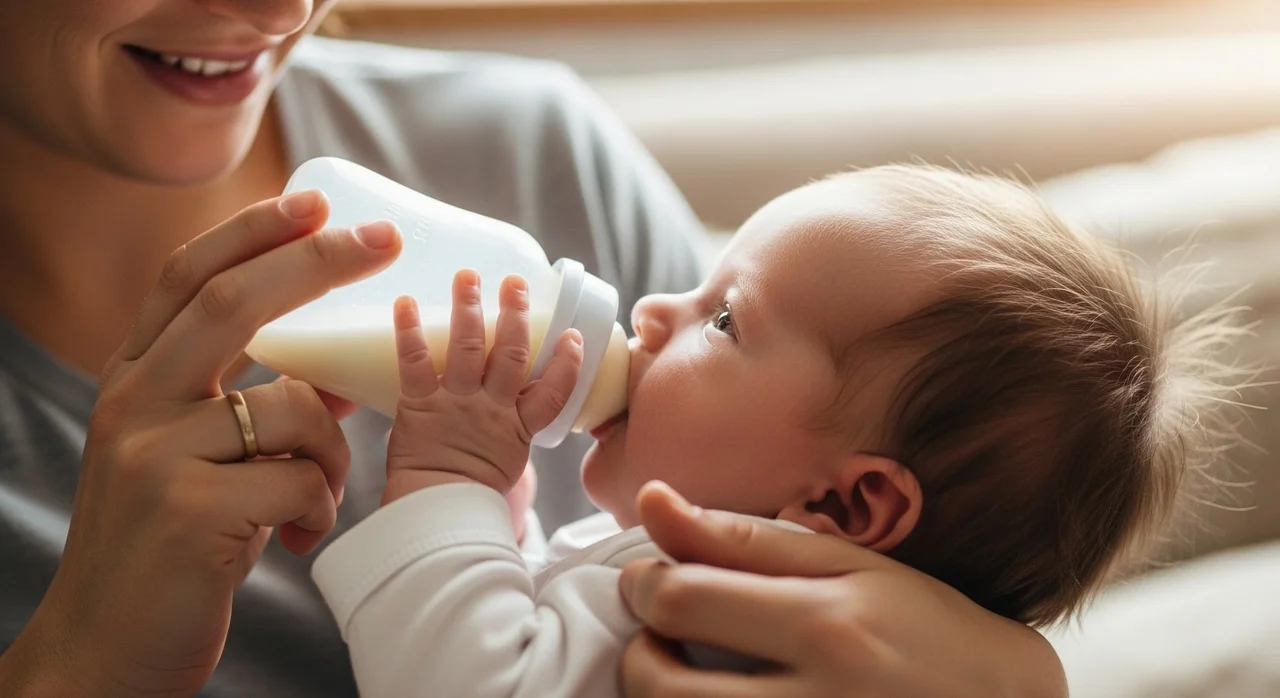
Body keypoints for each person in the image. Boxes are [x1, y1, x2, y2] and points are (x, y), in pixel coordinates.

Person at [0, 2, 1066, 696]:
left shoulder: (535, 151)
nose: (278, 11)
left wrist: (1009, 674)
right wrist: (78, 666)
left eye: (718, 317)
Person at [310, 165, 1243, 696]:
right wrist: (505, 525)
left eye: (725, 319)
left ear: (846, 499)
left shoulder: (731, 628)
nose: (659, 307)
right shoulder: (676, 573)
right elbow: (537, 636)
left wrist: (450, 477)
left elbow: (473, 683)